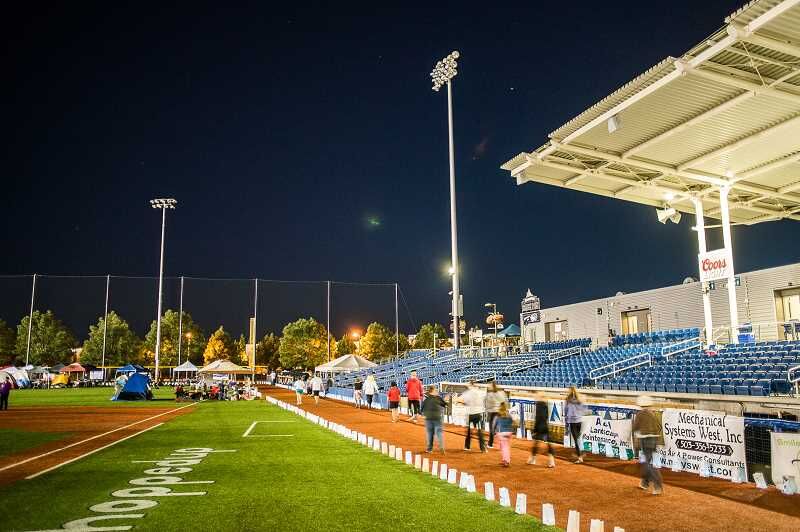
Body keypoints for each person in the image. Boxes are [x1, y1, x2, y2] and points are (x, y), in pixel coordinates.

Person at [632, 395, 664, 495]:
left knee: (647, 463)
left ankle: (657, 485)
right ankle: (645, 483)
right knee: (647, 461)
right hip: (653, 439)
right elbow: (659, 427)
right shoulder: (653, 413)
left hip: (645, 440)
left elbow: (635, 427)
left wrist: (635, 437)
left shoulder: (640, 414)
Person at [527, 392, 555, 467]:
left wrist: (535, 429)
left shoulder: (538, 405)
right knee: (548, 443)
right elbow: (545, 417)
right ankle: (551, 461)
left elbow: (538, 418)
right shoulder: (546, 405)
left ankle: (532, 459)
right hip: (545, 426)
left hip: (540, 426)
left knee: (536, 443)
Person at [459, 381, 487, 452]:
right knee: (479, 431)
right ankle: (482, 448)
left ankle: (467, 446)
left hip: (470, 414)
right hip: (478, 414)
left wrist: (464, 403)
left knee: (469, 431)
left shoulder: (467, 393)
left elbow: (461, 400)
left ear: (470, 385)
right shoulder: (480, 392)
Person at [421, 385, 446, 453]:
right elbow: (444, 404)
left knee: (430, 434)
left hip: (429, 418)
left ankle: (429, 449)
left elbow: (422, 409)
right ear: (432, 391)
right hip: (437, 417)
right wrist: (446, 401)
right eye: (436, 390)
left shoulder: (426, 400)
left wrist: (423, 414)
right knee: (439, 433)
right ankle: (441, 447)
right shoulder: (438, 398)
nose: (437, 391)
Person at [564, 386, 586, 463]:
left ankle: (580, 456)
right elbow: (583, 409)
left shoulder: (567, 400)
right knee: (578, 438)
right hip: (579, 420)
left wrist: (566, 424)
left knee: (576, 440)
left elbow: (566, 411)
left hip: (573, 421)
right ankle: (579, 453)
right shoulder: (579, 399)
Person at [486, 381, 508, 449]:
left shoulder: (491, 394)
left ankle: (490, 443)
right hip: (498, 412)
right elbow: (504, 402)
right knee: (497, 429)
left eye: (490, 386)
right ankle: (498, 444)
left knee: (492, 429)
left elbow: (488, 403)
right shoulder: (500, 393)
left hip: (494, 412)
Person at [495, 402, 514, 467]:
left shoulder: (498, 415)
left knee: (504, 447)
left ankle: (506, 461)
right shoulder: (509, 415)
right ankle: (504, 460)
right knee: (505, 446)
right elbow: (512, 422)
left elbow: (495, 424)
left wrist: (494, 432)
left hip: (501, 432)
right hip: (509, 432)